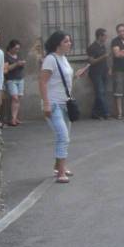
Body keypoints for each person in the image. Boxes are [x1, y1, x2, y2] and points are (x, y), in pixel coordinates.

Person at [39, 31, 88, 184]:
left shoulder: (63, 59)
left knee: (64, 137)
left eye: (69, 41)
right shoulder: (50, 59)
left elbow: (60, 80)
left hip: (65, 103)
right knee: (63, 137)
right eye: (66, 41)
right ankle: (60, 172)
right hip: (54, 104)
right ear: (58, 43)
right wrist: (46, 103)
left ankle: (59, 166)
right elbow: (43, 82)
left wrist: (76, 75)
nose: (69, 43)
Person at [86, 28, 111, 119]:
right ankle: (106, 112)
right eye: (105, 36)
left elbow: (104, 61)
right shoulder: (92, 47)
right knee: (100, 92)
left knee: (101, 93)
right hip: (95, 73)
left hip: (103, 72)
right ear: (100, 36)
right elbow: (91, 62)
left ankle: (94, 113)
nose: (106, 37)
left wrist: (108, 69)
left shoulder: (103, 46)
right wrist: (103, 56)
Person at [3, 39, 26, 126]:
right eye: (16, 48)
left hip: (20, 79)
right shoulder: (6, 56)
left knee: (18, 98)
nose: (17, 50)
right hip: (11, 80)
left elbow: (20, 66)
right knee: (15, 98)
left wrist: (22, 64)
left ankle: (15, 118)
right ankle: (12, 119)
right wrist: (16, 64)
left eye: (18, 48)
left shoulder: (18, 55)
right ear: (11, 48)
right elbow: (7, 69)